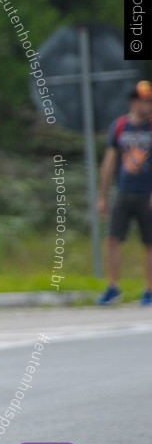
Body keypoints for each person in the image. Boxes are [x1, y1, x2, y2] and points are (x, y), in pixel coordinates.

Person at [96, 81, 152, 305]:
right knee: (112, 238)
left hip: (147, 193)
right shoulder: (120, 126)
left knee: (149, 242)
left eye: (150, 101)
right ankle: (113, 287)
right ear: (134, 102)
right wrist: (102, 195)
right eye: (145, 101)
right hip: (124, 190)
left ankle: (149, 290)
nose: (148, 105)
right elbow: (109, 161)